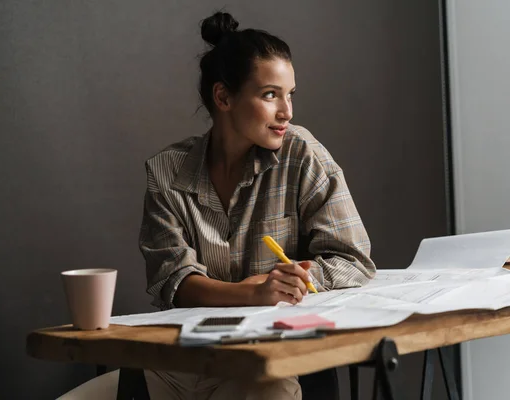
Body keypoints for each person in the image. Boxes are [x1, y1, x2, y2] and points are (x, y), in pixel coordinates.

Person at [138, 11, 376, 400]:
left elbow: (353, 259)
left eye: (290, 94)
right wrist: (253, 291)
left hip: (268, 366)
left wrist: (293, 281)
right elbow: (175, 283)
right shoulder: (166, 172)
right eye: (270, 95)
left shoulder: (301, 154)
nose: (287, 112)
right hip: (181, 366)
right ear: (223, 97)